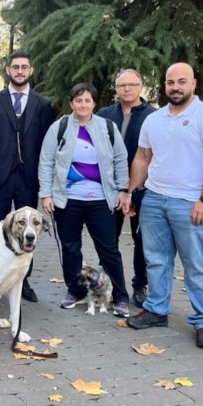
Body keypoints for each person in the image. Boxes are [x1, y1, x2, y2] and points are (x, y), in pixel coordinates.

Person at [123, 62, 203, 349]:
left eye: (182, 81)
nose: (176, 87)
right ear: (164, 85)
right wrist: (133, 193)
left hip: (192, 202)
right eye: (171, 82)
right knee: (156, 259)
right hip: (155, 199)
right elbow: (142, 158)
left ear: (194, 84)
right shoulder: (154, 120)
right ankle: (157, 310)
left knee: (196, 263)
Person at [39, 83, 131, 317]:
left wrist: (123, 189)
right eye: (78, 100)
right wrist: (46, 193)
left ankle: (120, 297)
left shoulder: (107, 128)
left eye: (87, 100)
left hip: (102, 200)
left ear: (94, 104)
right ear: (71, 103)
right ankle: (75, 291)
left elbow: (120, 160)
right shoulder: (59, 128)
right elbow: (47, 161)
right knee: (70, 248)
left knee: (109, 249)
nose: (83, 104)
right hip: (68, 200)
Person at [0, 51, 53, 302]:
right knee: (1, 228)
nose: (20, 71)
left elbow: (47, 143)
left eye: (24, 67)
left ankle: (24, 281)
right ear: (8, 70)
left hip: (28, 179)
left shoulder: (43, 104)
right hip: (1, 177)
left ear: (31, 70)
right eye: (15, 67)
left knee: (28, 230)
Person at [97, 69, 157, 308]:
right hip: (110, 188)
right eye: (122, 85)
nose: (127, 89)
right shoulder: (104, 115)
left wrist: (134, 189)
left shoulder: (153, 116)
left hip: (142, 188)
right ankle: (108, 283)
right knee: (107, 239)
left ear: (141, 87)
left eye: (132, 84)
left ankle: (140, 284)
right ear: (116, 88)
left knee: (141, 239)